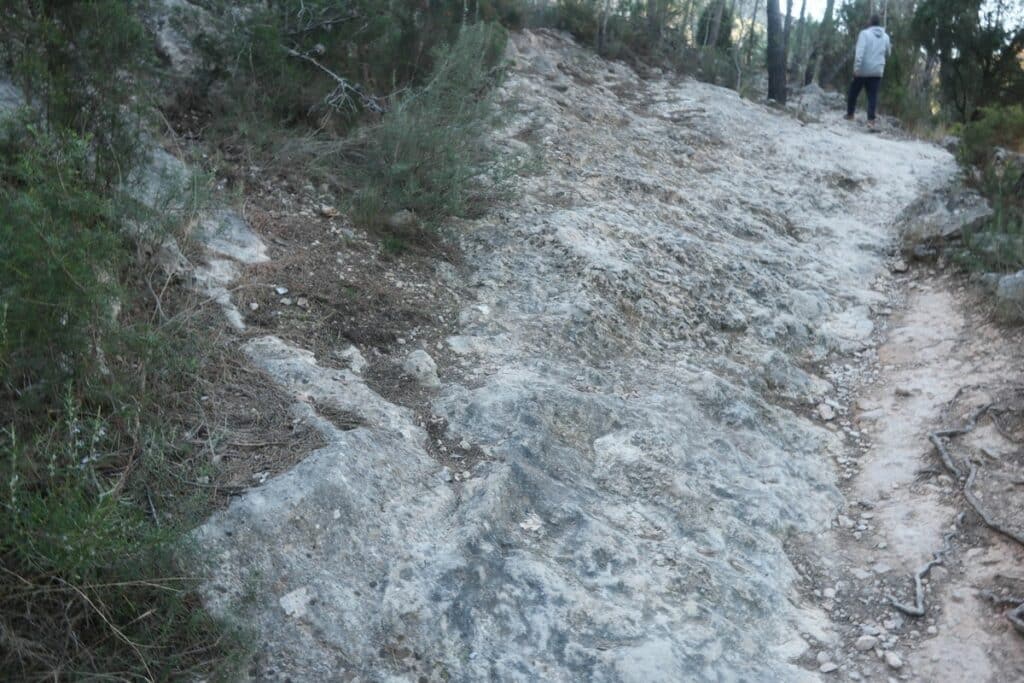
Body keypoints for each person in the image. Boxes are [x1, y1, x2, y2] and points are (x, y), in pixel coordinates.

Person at [845, 14, 891, 128]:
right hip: (877, 71)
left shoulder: (864, 34)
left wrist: (856, 68)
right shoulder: (886, 37)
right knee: (872, 96)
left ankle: (850, 114)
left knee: (853, 92)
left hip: (863, 70)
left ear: (870, 22)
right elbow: (888, 53)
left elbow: (859, 52)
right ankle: (871, 120)